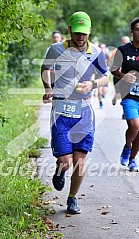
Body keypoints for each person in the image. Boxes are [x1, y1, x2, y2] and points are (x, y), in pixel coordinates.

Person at [41, 11, 108, 214]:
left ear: (89, 32)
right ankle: (60, 170)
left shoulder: (96, 52)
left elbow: (106, 78)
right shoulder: (55, 49)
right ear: (69, 30)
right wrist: (48, 88)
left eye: (85, 34)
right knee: (66, 162)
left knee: (80, 160)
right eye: (77, 33)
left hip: (85, 112)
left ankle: (72, 199)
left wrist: (92, 83)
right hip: (61, 111)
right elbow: (45, 69)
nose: (81, 37)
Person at [111, 17, 139, 172]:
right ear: (132, 32)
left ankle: (132, 159)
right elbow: (113, 69)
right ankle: (127, 146)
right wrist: (123, 76)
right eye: (137, 29)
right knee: (134, 125)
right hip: (129, 94)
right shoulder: (123, 50)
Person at [109, 36, 130, 118]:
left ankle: (125, 113)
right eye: (125, 42)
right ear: (122, 42)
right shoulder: (117, 50)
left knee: (125, 94)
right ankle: (115, 97)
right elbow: (110, 59)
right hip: (117, 75)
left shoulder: (131, 51)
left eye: (128, 42)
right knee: (119, 93)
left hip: (127, 77)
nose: (126, 44)